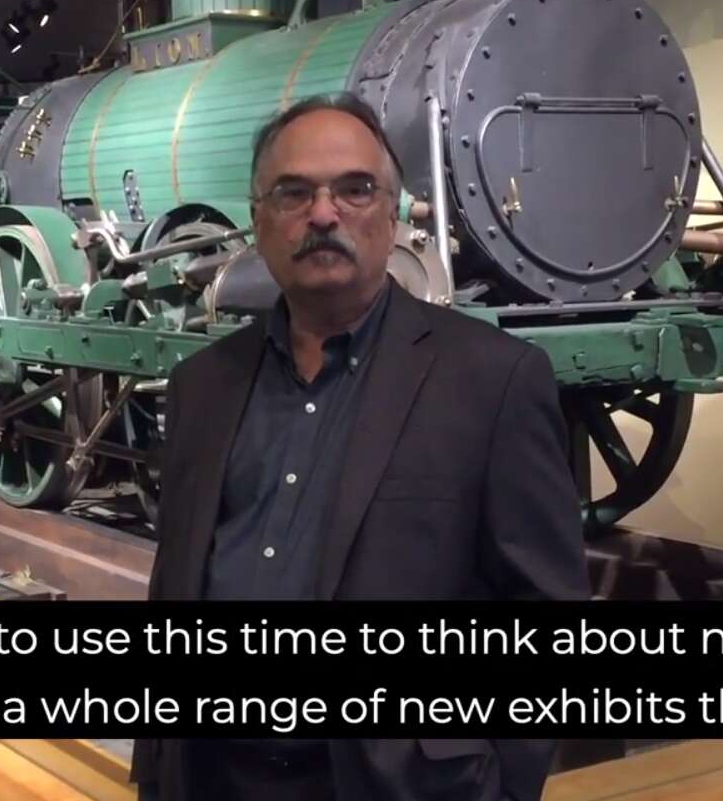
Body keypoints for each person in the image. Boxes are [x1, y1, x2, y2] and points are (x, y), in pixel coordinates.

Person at [131, 92, 591, 800]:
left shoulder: (493, 379)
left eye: (354, 189)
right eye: (293, 193)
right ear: (257, 221)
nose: (323, 215)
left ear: (393, 213)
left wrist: (500, 783)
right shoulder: (202, 386)